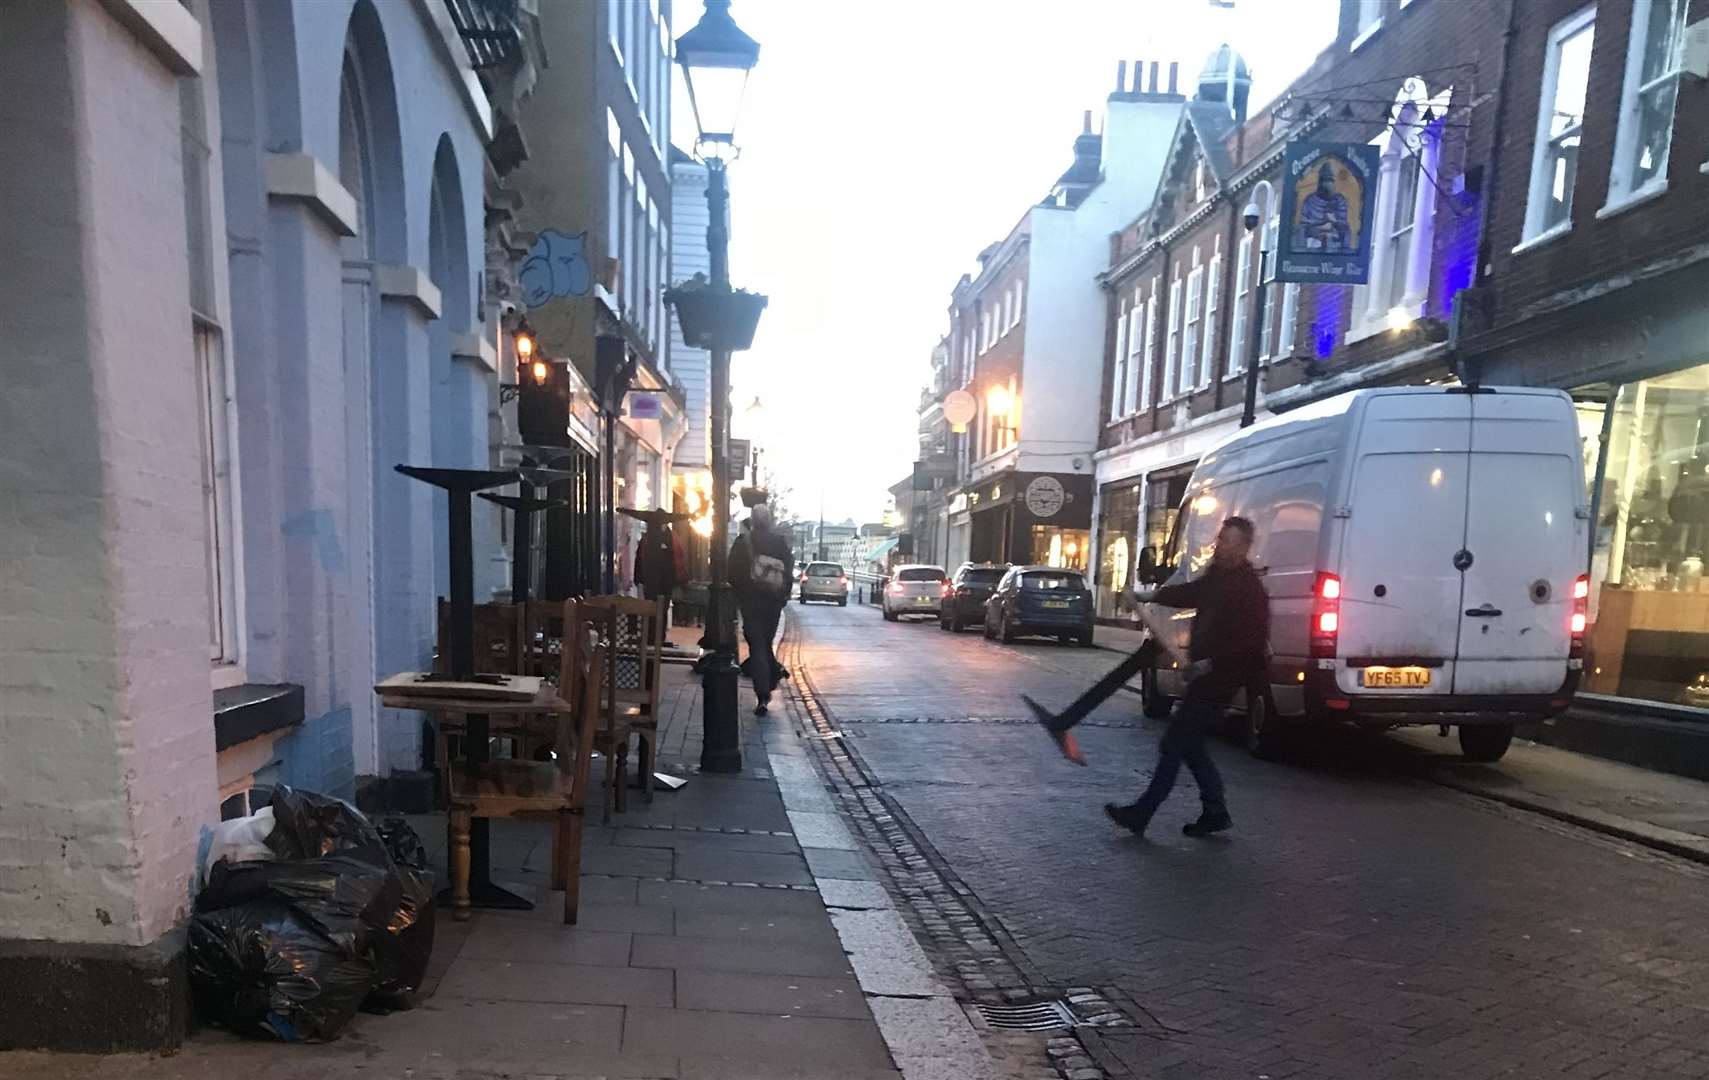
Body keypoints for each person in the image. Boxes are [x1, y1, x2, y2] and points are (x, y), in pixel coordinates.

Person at [1025, 517, 1268, 838]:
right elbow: (1191, 593)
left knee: (1174, 743)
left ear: (1244, 547)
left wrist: (1210, 663)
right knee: (1190, 745)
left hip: (1219, 682)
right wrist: (1149, 597)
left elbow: (1250, 644)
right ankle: (1215, 810)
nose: (1219, 545)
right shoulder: (1218, 576)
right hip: (1203, 676)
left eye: (1227, 541)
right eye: (1220, 538)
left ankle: (1142, 813)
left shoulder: (1249, 589)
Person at [728, 503, 794, 715]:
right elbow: (789, 570)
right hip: (773, 602)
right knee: (765, 643)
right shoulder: (779, 543)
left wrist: (740, 594)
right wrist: (783, 595)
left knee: (757, 646)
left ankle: (762, 694)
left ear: (753, 520)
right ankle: (773, 672)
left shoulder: (744, 542)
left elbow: (733, 572)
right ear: (769, 520)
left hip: (751, 602)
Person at [1295, 161, 1351, 253]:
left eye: (1330, 181)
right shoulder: (1310, 201)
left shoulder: (1339, 201)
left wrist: (1334, 221)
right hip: (1313, 245)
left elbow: (1344, 228)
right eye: (1324, 180)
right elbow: (1303, 227)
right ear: (1320, 182)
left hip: (1335, 247)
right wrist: (1320, 229)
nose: (1327, 184)